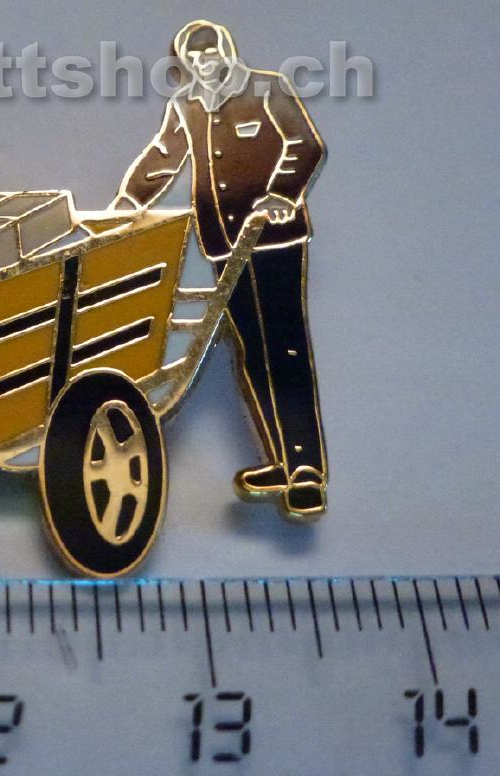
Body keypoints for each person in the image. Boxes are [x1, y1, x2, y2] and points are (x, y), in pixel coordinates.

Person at [112, 19, 327, 518]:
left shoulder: (268, 89)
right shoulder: (186, 104)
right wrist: (127, 205)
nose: (204, 63)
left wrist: (282, 194)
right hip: (223, 244)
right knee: (251, 351)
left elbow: (305, 145)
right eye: (195, 57)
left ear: (227, 51)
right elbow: (162, 158)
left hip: (274, 238)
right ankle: (279, 460)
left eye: (211, 53)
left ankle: (307, 472)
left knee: (286, 346)